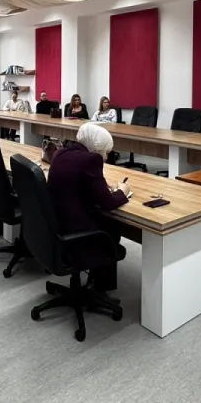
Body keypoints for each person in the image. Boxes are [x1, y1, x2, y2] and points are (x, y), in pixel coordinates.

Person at [46, 123, 130, 293]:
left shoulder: (61, 153)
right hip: (75, 231)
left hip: (56, 226)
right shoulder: (91, 159)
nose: (106, 157)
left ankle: (98, 279)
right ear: (97, 148)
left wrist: (100, 187)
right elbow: (108, 203)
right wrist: (123, 191)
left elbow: (79, 182)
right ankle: (102, 285)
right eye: (106, 152)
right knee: (113, 224)